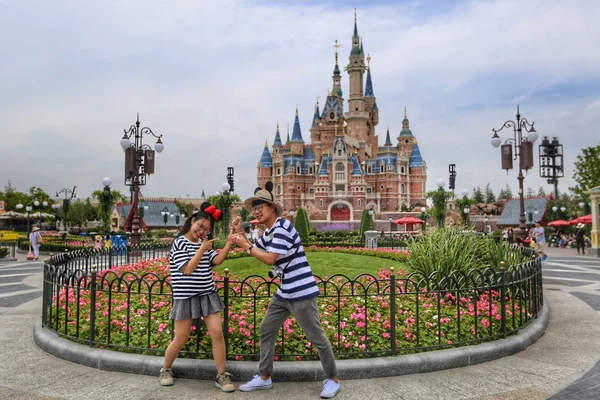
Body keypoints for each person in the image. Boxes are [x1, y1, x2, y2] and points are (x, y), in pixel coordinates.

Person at [231, 182, 341, 399]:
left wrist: (247, 246)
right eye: (254, 208)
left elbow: (268, 258)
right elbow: (256, 249)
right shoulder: (271, 231)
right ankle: (264, 377)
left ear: (272, 207)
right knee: (266, 329)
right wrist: (240, 234)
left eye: (260, 205)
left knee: (316, 337)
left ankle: (333, 379)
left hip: (300, 291)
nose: (256, 210)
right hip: (285, 292)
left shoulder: (282, 227)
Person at [159, 202, 236, 393]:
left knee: (217, 333)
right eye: (200, 226)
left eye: (206, 229)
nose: (201, 231)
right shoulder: (179, 243)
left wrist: (228, 242)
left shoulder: (204, 245)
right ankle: (166, 369)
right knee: (181, 337)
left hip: (207, 293)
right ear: (192, 221)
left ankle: (221, 375)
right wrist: (201, 249)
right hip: (185, 296)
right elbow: (187, 269)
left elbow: (215, 261)